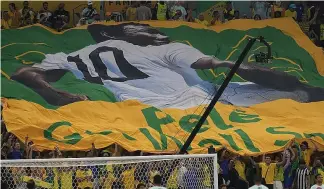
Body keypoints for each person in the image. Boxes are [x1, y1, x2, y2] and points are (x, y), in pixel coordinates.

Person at [11, 23, 324, 109]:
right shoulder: (164, 47)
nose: (155, 33)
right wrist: (285, 82)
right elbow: (228, 66)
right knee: (300, 94)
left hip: (149, 109)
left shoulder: (79, 54)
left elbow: (22, 72)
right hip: (206, 103)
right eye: (147, 30)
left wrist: (56, 95)